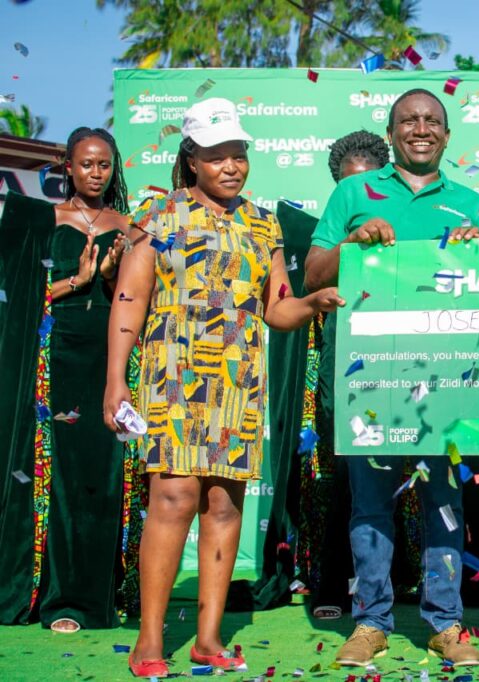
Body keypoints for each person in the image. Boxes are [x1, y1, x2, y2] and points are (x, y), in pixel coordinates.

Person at [102, 98, 345, 679]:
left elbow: (277, 309)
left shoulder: (263, 223)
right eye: (217, 157)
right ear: (192, 160)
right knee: (174, 498)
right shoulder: (157, 215)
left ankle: (209, 639)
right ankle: (149, 640)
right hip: (174, 374)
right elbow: (130, 299)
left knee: (223, 503)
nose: (231, 166)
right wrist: (116, 380)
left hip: (239, 379)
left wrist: (311, 302)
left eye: (239, 154)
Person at [304, 88, 479, 668]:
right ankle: (371, 622)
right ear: (392, 133)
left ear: (447, 136)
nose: (421, 129)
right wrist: (352, 244)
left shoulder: (471, 204)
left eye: (432, 121)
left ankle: (446, 623)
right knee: (370, 504)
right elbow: (312, 274)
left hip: (446, 378)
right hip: (372, 377)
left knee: (444, 501)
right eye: (409, 120)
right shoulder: (354, 193)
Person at [0, 127, 131, 632]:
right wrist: (78, 280)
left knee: (105, 474)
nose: (96, 173)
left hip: (110, 359)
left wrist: (111, 276)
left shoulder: (127, 226)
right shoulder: (44, 221)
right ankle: (60, 599)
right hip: (55, 358)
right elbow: (20, 296)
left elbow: (134, 300)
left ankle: (100, 595)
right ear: (68, 168)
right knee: (58, 474)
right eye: (87, 164)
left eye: (104, 165)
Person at [307, 129, 390, 620]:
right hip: (348, 355)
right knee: (346, 475)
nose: (357, 190)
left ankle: (418, 584)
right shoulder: (338, 218)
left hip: (410, 356)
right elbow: (311, 277)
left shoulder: (407, 208)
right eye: (346, 183)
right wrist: (350, 244)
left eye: (367, 182)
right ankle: (334, 584)